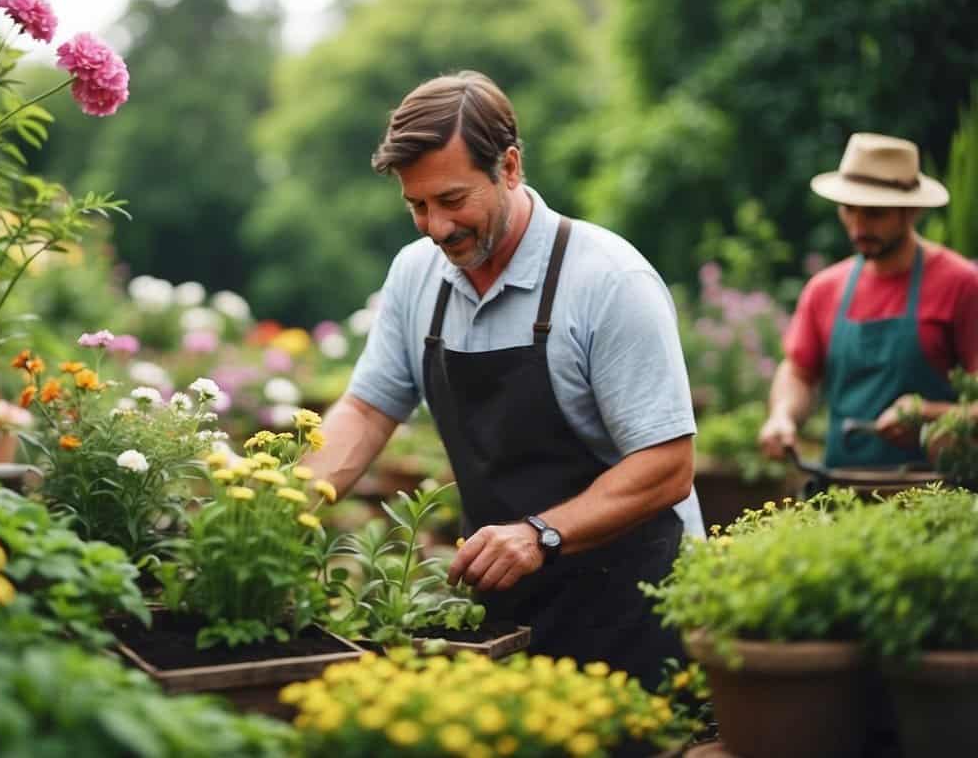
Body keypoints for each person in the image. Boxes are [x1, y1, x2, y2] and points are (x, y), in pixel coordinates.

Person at [307, 71, 703, 685]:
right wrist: (290, 505)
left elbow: (668, 465)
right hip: (504, 604)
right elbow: (368, 409)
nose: (436, 227)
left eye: (453, 199)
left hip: (633, 602)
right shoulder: (417, 275)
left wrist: (541, 534)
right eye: (417, 205)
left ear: (510, 167)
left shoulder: (608, 281)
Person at [759, 132, 978, 469]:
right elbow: (799, 372)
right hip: (840, 493)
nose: (858, 226)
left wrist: (929, 413)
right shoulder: (825, 289)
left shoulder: (961, 285)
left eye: (875, 214)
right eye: (849, 210)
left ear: (912, 211)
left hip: (935, 497)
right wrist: (782, 416)